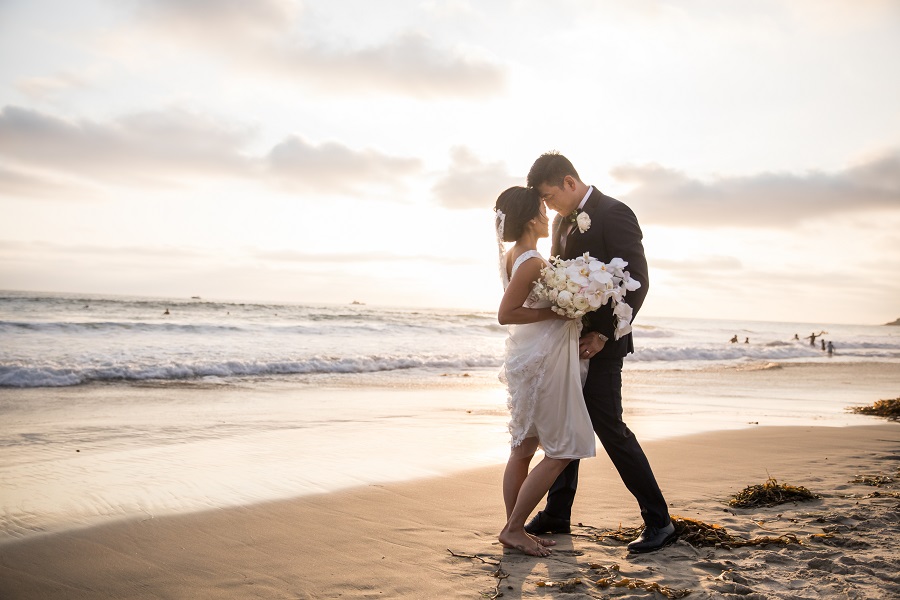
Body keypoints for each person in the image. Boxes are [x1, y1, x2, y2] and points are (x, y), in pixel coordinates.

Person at [525, 152, 676, 553]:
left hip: (604, 345)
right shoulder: (559, 221)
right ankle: (558, 513)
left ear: (569, 183)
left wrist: (605, 335)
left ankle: (659, 521)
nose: (547, 205)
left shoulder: (615, 212)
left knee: (611, 429)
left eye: (549, 195)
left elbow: (636, 282)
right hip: (569, 342)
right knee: (566, 424)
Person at [494, 186, 597, 557]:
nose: (547, 215)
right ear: (530, 218)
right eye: (542, 209)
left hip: (530, 356)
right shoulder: (532, 260)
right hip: (545, 362)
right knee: (563, 449)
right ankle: (513, 528)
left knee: (523, 447)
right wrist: (558, 311)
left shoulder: (515, 255)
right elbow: (507, 313)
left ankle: (514, 528)